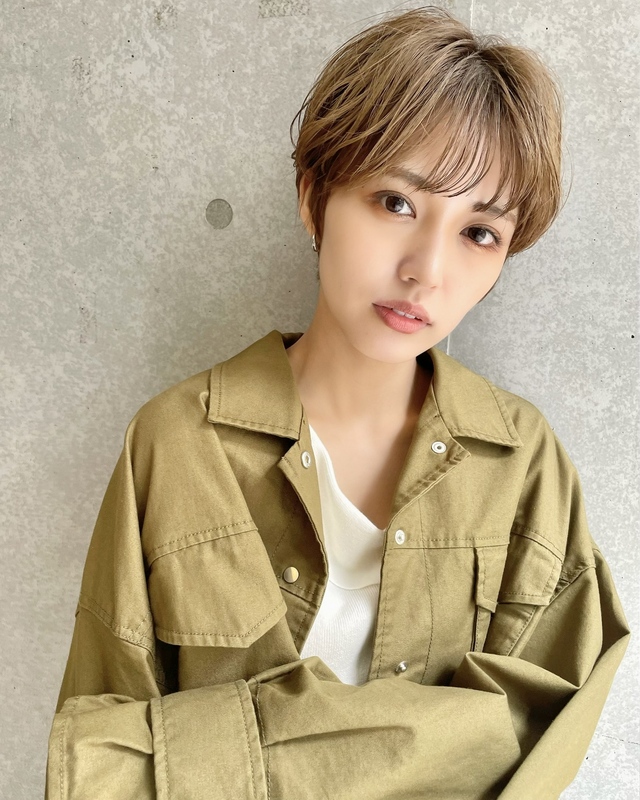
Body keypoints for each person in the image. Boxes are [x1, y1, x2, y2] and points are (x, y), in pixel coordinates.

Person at [46, 6, 630, 799]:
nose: (426, 269)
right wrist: (439, 742)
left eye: (479, 233)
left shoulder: (524, 462)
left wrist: (205, 760)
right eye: (396, 202)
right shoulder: (176, 442)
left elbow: (536, 736)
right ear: (312, 195)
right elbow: (97, 754)